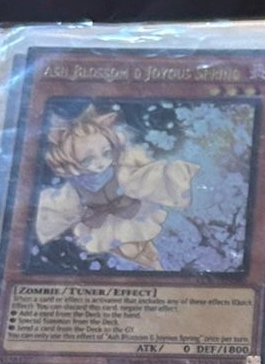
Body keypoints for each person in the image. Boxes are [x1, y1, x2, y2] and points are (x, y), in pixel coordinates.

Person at [34, 103, 199, 269]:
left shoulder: (119, 170)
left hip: (130, 214)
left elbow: (142, 180)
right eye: (87, 160)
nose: (100, 163)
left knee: (147, 250)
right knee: (130, 252)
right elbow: (62, 207)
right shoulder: (76, 184)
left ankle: (157, 268)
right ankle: (154, 268)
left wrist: (169, 177)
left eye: (106, 153)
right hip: (100, 226)